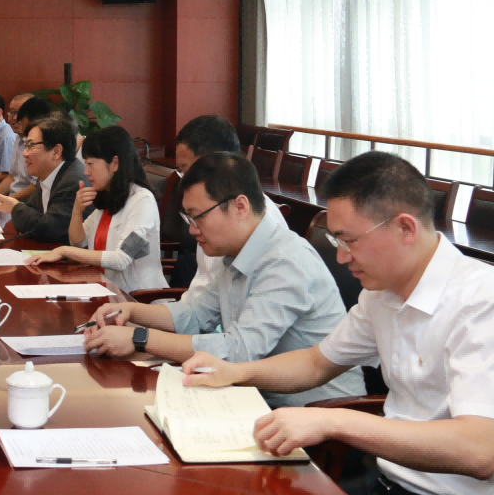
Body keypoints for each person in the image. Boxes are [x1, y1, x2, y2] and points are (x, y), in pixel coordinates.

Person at [181, 152, 494, 495]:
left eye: (349, 241)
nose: (342, 257)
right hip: (384, 491)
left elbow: (480, 449)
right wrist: (236, 371)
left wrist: (334, 421)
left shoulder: (480, 301)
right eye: (335, 239)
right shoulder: (382, 293)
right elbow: (316, 363)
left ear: (405, 228)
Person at [83, 152, 364, 405]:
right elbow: (195, 314)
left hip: (317, 414)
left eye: (197, 217)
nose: (193, 230)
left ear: (240, 207)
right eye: (188, 219)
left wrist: (140, 338)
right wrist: (131, 311)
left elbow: (239, 351)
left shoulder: (286, 260)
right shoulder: (236, 251)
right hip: (257, 398)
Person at [29, 125, 166, 292]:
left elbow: (121, 259)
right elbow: (78, 242)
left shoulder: (142, 200)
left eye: (90, 164)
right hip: (103, 290)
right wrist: (77, 210)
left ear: (114, 163)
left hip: (138, 298)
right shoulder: (109, 198)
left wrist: (64, 251)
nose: (86, 172)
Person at [0, 115, 86, 243]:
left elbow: (51, 231)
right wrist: (18, 210)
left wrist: (15, 208)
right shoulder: (46, 175)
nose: (25, 153)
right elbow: (30, 217)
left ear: (56, 151)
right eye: (26, 146)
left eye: (31, 146)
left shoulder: (73, 181)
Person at [169, 115, 242, 287]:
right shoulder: (210, 208)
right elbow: (203, 295)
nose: (192, 230)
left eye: (185, 169)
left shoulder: (244, 218)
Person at [0, 95, 54, 200]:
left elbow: (37, 185)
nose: (15, 118)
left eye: (20, 113)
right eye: (12, 112)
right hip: (13, 200)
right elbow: (12, 177)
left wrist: (8, 200)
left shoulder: (41, 143)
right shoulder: (18, 138)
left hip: (28, 203)